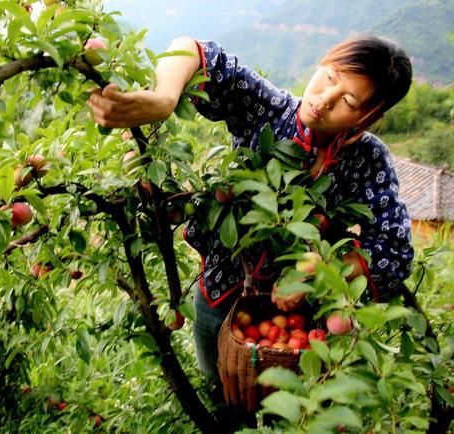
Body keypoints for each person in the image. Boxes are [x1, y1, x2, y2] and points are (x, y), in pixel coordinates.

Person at [87, 35, 414, 390]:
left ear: (368, 116)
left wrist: (319, 274)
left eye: (348, 100)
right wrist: (164, 99)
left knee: (286, 404)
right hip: (220, 289)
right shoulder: (269, 109)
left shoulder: (368, 160)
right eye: (330, 77)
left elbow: (395, 250)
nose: (324, 99)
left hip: (296, 317)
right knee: (220, 386)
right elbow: (200, 54)